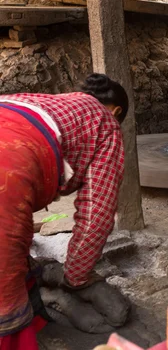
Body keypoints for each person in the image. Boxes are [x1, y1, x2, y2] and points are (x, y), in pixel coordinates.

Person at [0, 74, 128, 348]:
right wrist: (77, 277)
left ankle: (37, 302)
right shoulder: (107, 126)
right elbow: (98, 214)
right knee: (4, 288)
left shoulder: (42, 101)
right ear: (116, 111)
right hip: (7, 167)